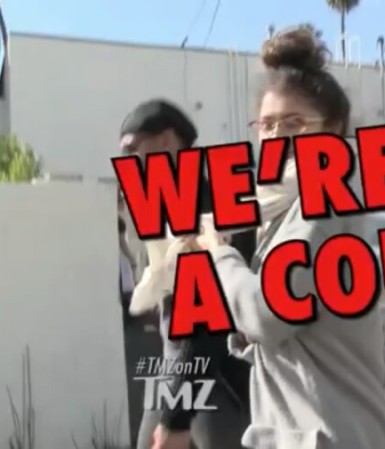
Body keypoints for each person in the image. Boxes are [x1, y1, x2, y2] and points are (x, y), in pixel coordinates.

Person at [172, 26, 385, 449]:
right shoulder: (281, 208)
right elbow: (288, 331)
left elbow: (268, 312)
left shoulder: (323, 199)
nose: (277, 137)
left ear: (332, 130)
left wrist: (218, 254)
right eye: (267, 125)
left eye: (294, 124)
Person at [118, 98, 255, 449]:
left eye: (132, 148)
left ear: (166, 142)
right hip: (178, 366)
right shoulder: (164, 206)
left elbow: (207, 318)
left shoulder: (209, 206)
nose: (126, 159)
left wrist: (175, 419)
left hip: (215, 373)